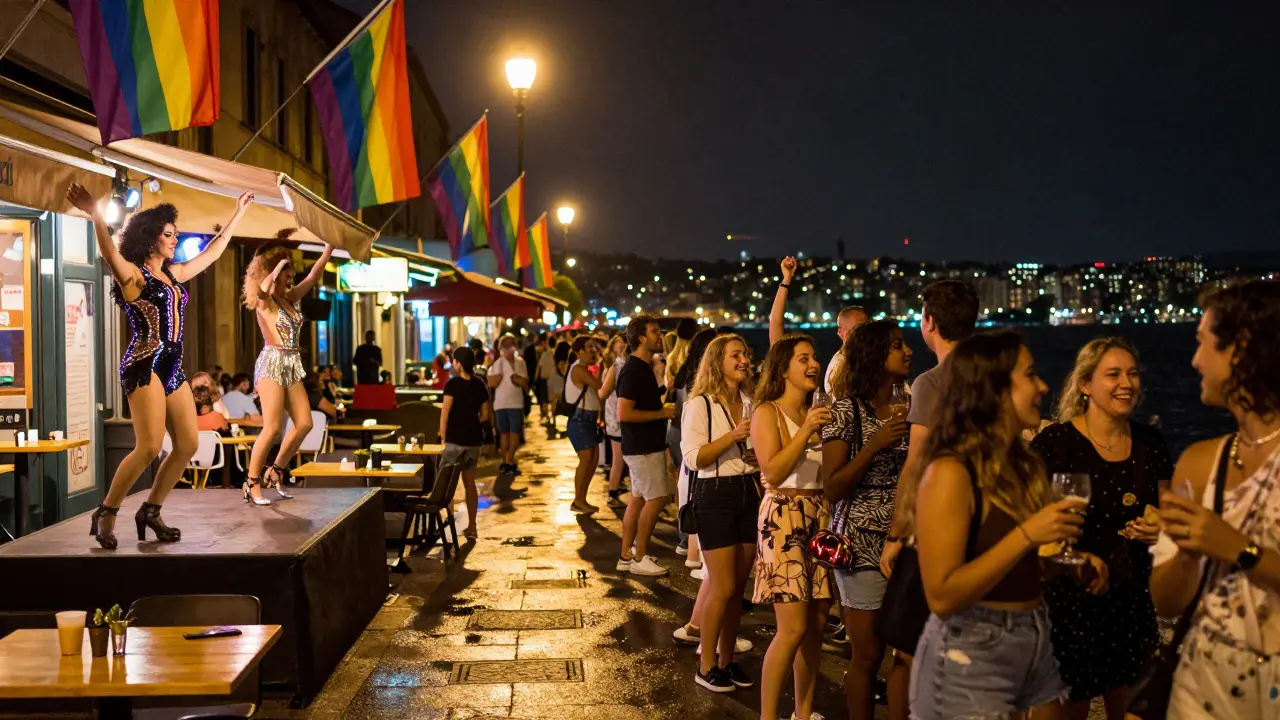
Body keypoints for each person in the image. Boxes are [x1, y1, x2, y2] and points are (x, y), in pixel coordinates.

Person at [912, 331, 1107, 720]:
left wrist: (1071, 563)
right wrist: (1029, 534)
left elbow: (1016, 563)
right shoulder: (951, 472)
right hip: (970, 649)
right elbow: (943, 596)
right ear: (996, 390)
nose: (1044, 386)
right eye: (1031, 375)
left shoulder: (1025, 465)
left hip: (1033, 634)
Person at [70, 183, 252, 549]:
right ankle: (107, 510)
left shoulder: (175, 275)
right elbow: (109, 254)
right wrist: (95, 215)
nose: (175, 239)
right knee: (150, 446)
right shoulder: (135, 277)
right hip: (144, 363)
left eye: (175, 233)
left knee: (186, 443)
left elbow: (213, 255)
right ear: (151, 239)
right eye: (169, 234)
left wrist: (239, 215)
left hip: (171, 365)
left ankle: (151, 510)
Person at [1150, 280, 1280, 720]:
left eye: (1203, 343)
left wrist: (1239, 550)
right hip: (1201, 689)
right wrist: (1186, 554)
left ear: (1240, 351)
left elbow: (1236, 550)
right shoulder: (1200, 462)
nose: (1193, 360)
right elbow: (1165, 604)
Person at [1030, 338, 1167, 719]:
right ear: (1086, 385)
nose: (1127, 383)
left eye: (1133, 374)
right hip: (1067, 602)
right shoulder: (1055, 444)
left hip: (1131, 605)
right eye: (1113, 374)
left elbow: (1168, 513)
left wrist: (1163, 531)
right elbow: (1027, 523)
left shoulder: (1150, 444)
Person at [879, 279, 980, 712]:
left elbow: (916, 463)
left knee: (909, 648)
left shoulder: (931, 382)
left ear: (931, 323)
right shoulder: (993, 376)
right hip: (986, 524)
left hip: (937, 527)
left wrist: (896, 533)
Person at [821, 320, 912, 720]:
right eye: (897, 345)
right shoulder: (846, 411)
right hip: (861, 541)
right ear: (875, 354)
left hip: (908, 536)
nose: (907, 351)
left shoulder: (910, 405)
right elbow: (833, 487)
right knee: (868, 653)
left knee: (907, 650)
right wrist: (873, 446)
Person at [751, 334, 832, 720]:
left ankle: (804, 712)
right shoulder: (767, 412)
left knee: (816, 625)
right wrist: (804, 433)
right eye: (803, 358)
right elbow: (773, 470)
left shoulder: (821, 410)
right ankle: (768, 716)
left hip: (820, 514)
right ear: (783, 368)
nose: (813, 364)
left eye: (814, 357)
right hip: (784, 515)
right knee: (793, 628)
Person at [682, 334, 759, 693]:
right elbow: (694, 458)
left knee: (738, 588)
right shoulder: (700, 404)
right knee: (723, 585)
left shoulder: (749, 400)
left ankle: (727, 661)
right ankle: (706, 663)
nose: (744, 360)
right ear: (717, 362)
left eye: (745, 354)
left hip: (749, 491)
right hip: (714, 495)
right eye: (736, 355)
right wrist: (734, 435)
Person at [240, 241, 333, 505]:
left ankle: (276, 470)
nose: (291, 276)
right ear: (274, 273)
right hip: (272, 363)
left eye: (291, 271)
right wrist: (277, 265)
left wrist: (328, 249)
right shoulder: (265, 302)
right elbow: (262, 289)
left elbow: (313, 276)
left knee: (305, 422)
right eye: (286, 272)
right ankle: (252, 482)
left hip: (292, 363)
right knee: (272, 428)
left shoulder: (290, 299)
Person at [616, 316, 677, 577]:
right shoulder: (634, 370)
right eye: (654, 331)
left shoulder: (640, 367)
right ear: (641, 338)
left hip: (639, 446)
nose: (659, 335)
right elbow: (625, 413)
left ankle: (626, 556)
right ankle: (640, 557)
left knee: (638, 500)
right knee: (656, 499)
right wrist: (662, 414)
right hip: (643, 447)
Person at [672, 329, 717, 557]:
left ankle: (686, 543)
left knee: (687, 487)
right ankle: (690, 546)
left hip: (679, 433)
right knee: (692, 488)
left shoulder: (683, 373)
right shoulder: (700, 388)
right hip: (691, 438)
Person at [440, 346, 490, 540]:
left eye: (454, 360)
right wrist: (471, 420)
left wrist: (443, 437)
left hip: (454, 440)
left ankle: (450, 521)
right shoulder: (479, 384)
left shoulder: (452, 385)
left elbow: (445, 414)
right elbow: (485, 415)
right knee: (470, 484)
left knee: (447, 484)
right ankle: (472, 525)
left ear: (458, 364)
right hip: (473, 440)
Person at [565, 336, 603, 513]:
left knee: (592, 460)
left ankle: (581, 499)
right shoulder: (579, 369)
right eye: (588, 348)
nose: (592, 351)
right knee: (586, 460)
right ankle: (578, 500)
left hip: (587, 419)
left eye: (593, 347)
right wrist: (602, 366)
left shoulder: (584, 368)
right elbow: (598, 384)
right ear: (578, 351)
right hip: (580, 420)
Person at [489, 334, 528, 474]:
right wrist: (498, 378)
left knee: (515, 434)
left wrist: (517, 379)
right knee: (504, 434)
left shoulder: (520, 362)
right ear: (501, 348)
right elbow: (491, 383)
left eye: (511, 345)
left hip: (516, 404)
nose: (509, 348)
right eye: (505, 346)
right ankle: (507, 461)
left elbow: (524, 382)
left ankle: (508, 460)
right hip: (500, 404)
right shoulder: (497, 364)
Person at [599, 334, 630, 508]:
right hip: (616, 419)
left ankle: (617, 488)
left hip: (620, 417)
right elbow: (603, 393)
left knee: (623, 457)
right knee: (618, 457)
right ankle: (613, 491)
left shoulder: (623, 366)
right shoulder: (616, 367)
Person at [824, 306, 871, 393]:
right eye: (855, 330)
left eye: (865, 329)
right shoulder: (839, 365)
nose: (861, 335)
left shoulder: (872, 358)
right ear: (840, 332)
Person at [536, 334, 558, 426]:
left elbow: (539, 367)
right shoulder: (555, 353)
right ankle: (553, 417)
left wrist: (535, 378)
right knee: (553, 399)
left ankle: (548, 416)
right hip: (553, 378)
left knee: (545, 399)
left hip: (544, 379)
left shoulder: (545, 354)